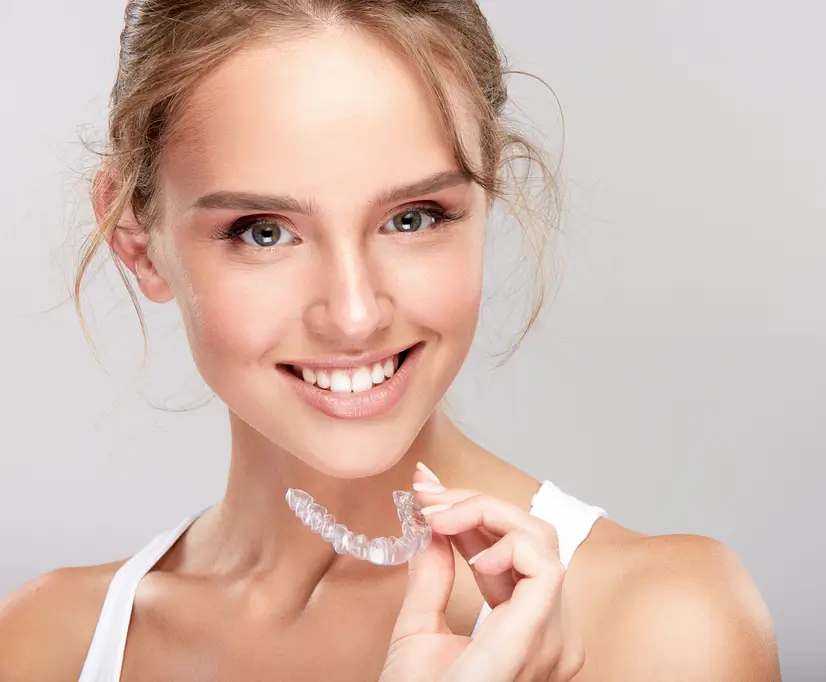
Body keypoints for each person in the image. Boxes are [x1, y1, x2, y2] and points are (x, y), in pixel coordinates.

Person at [0, 1, 781, 680]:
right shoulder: (45, 645)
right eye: (264, 231)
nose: (354, 315)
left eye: (413, 218)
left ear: (488, 195)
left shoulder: (663, 627)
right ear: (138, 240)